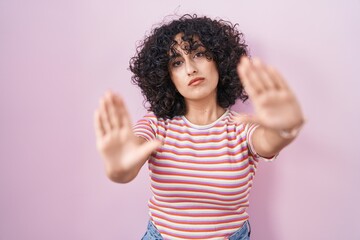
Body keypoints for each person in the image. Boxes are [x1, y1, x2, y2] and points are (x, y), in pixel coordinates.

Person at [94, 14, 304, 240]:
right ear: (167, 77)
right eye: (177, 62)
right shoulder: (156, 124)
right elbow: (128, 159)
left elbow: (268, 141)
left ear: (219, 59)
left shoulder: (241, 127)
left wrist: (284, 129)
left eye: (199, 54)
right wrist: (118, 168)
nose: (191, 69)